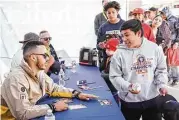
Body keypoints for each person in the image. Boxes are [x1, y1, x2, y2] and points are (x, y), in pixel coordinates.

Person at [1, 41, 98, 120]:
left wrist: (76, 93)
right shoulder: (16, 79)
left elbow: (53, 88)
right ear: (33, 57)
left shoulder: (38, 72)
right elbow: (22, 113)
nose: (49, 59)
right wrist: (53, 107)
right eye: (45, 55)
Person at [109, 19, 168, 120]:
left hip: (152, 98)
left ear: (139, 33)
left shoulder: (154, 48)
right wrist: (128, 86)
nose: (124, 39)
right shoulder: (119, 53)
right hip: (129, 101)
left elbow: (161, 69)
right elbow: (115, 76)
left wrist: (162, 84)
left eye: (127, 35)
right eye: (122, 36)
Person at [97, 1, 125, 72]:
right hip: (108, 61)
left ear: (117, 12)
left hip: (123, 60)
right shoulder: (103, 28)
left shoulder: (125, 25)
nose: (111, 14)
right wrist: (101, 46)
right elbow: (97, 45)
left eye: (113, 12)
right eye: (108, 13)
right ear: (106, 14)